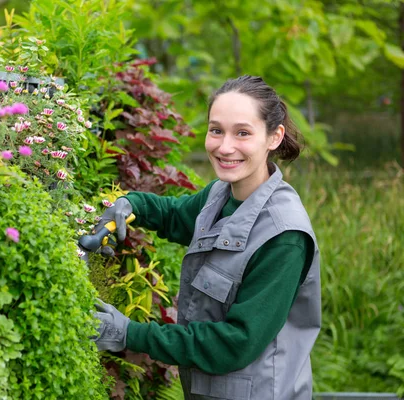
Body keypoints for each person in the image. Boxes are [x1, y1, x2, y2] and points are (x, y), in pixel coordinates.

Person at [92, 75, 321, 400]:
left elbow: (235, 343)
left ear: (274, 137)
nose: (224, 147)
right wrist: (131, 204)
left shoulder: (283, 235)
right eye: (216, 130)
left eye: (242, 133)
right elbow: (175, 216)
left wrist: (131, 334)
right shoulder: (221, 195)